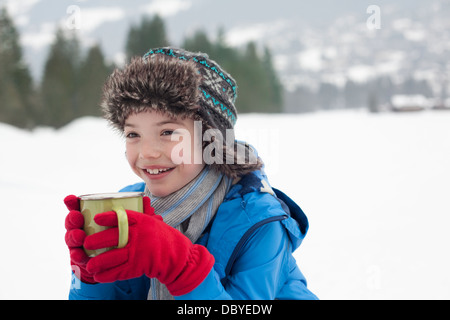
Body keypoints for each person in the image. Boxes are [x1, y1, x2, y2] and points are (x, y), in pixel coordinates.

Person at [64, 47, 318, 300]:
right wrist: (92, 277)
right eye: (133, 134)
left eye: (168, 132)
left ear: (210, 141)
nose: (147, 152)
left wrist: (181, 267)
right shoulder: (130, 206)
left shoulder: (258, 220)